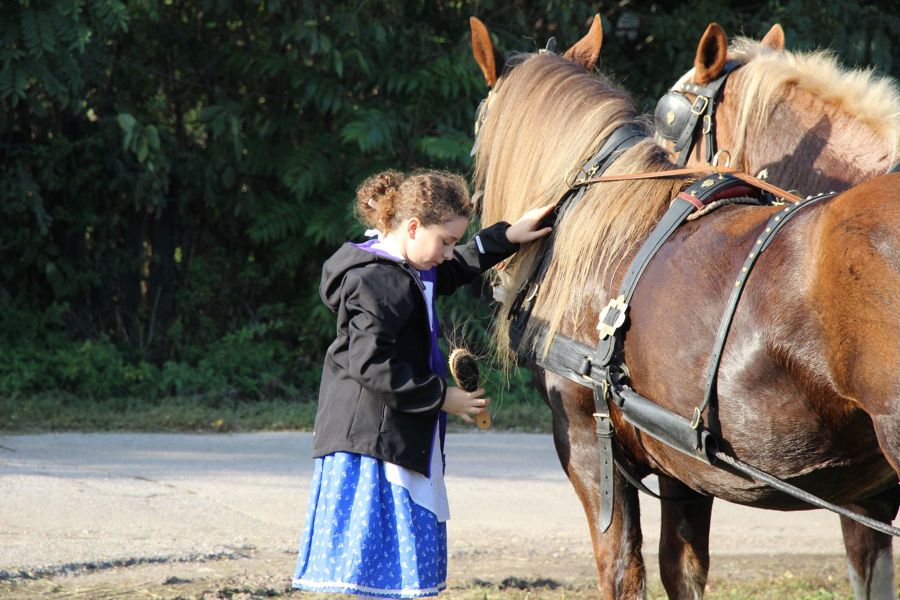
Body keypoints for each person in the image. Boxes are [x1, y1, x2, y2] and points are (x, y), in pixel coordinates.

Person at [292, 169, 552, 598]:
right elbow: (371, 364)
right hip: (372, 441)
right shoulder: (375, 280)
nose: (449, 253)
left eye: (454, 242)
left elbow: (455, 266)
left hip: (393, 432)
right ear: (413, 227)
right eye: (445, 241)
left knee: (385, 575)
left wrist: (507, 236)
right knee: (368, 574)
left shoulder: (414, 265)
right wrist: (442, 397)